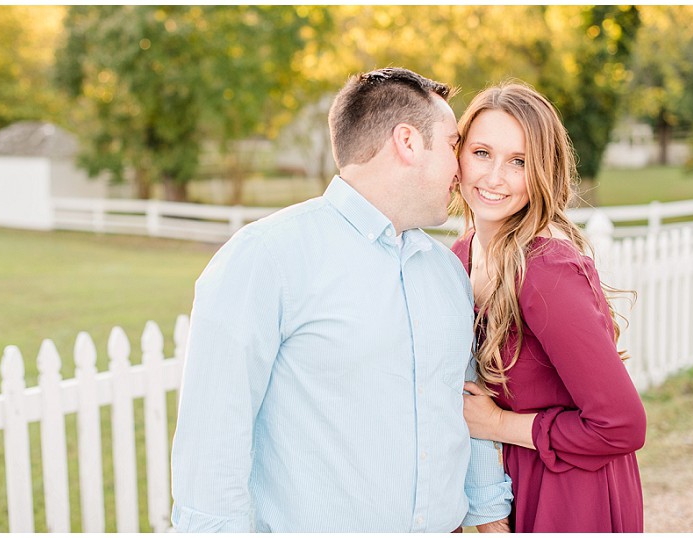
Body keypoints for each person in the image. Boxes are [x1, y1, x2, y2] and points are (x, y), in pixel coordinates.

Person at [170, 67, 513, 532]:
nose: (463, 167)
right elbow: (212, 443)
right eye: (454, 145)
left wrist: (492, 517)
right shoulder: (265, 259)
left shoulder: (447, 271)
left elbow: (462, 406)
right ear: (407, 142)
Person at [450, 80, 646, 532]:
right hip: (502, 482)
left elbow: (622, 425)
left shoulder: (544, 269)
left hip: (571, 491)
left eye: (518, 162)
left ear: (543, 172)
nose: (494, 177)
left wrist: (497, 424)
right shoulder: (460, 256)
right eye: (481, 153)